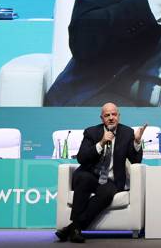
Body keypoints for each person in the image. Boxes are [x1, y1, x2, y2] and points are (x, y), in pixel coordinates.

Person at [55, 102, 146, 243]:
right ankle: (75, 229)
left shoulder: (127, 133)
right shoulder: (91, 132)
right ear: (101, 118)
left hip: (110, 180)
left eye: (114, 114)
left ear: (119, 116)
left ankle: (73, 228)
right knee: (84, 178)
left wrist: (137, 142)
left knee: (107, 193)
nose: (111, 117)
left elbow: (136, 160)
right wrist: (101, 143)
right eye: (107, 115)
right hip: (90, 174)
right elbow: (81, 158)